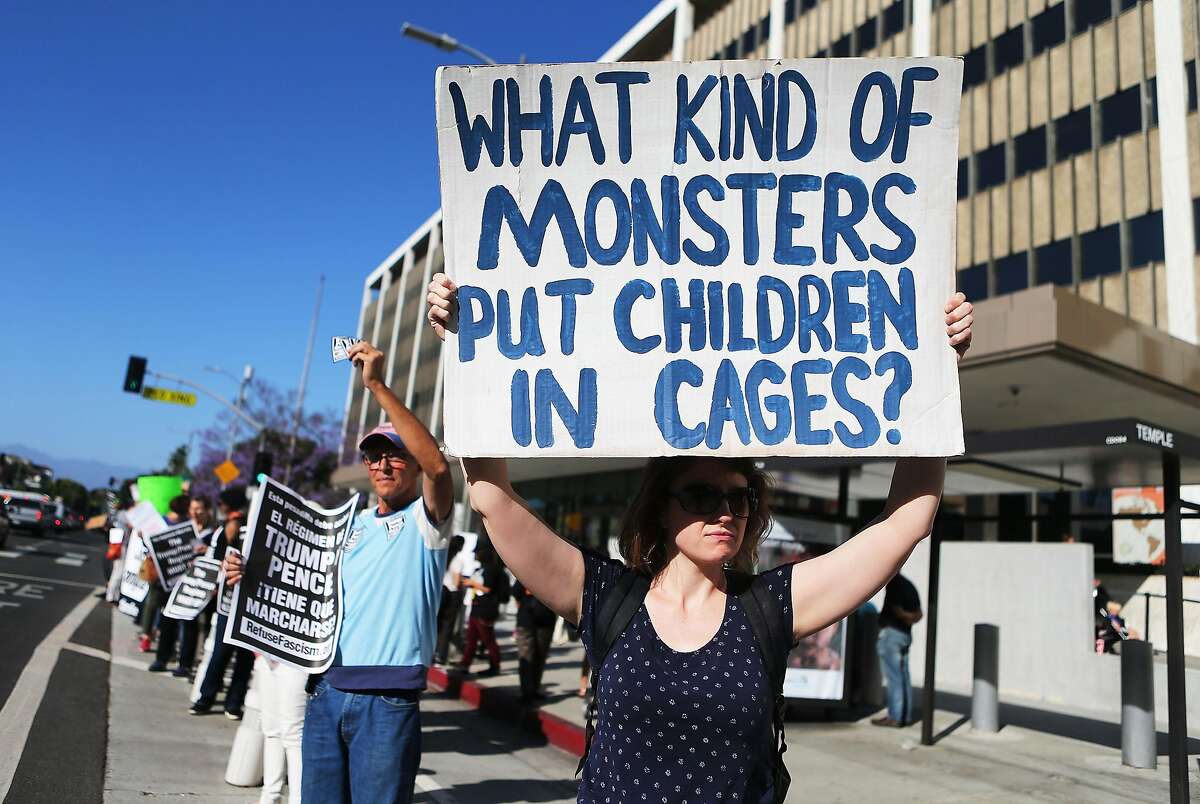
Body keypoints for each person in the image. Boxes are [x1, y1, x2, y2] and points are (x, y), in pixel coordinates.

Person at [427, 273, 973, 802]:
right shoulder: (607, 597)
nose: (726, 512)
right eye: (702, 496)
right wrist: (464, 347)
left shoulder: (770, 607)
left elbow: (907, 520)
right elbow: (493, 498)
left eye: (740, 499)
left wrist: (938, 369)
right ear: (660, 509)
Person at [224, 339, 453, 804]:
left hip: (387, 702)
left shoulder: (426, 523)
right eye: (373, 456)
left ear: (410, 462)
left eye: (394, 454)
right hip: (326, 691)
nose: (383, 464)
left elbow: (438, 466)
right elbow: (303, 583)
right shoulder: (349, 525)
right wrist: (249, 575)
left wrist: (376, 385)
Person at [190, 488, 254, 718]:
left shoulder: (248, 527)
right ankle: (230, 703)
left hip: (238, 602)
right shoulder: (226, 529)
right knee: (232, 655)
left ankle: (207, 699)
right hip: (235, 602)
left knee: (224, 653)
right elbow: (217, 562)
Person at [149, 496, 215, 676]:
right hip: (173, 582)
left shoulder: (212, 533)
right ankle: (161, 658)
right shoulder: (182, 528)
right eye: (192, 508)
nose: (195, 512)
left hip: (195, 585)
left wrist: (206, 551)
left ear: (207, 510)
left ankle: (185, 664)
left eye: (199, 509)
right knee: (167, 619)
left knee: (189, 623)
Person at [139, 493, 191, 655]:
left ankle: (147, 636)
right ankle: (156, 636)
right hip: (171, 571)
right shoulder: (186, 525)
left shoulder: (161, 522)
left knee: (152, 604)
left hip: (165, 569)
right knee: (162, 604)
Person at [871, 572, 922, 727]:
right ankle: (903, 716)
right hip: (905, 635)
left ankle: (895, 716)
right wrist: (910, 618)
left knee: (894, 677)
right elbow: (919, 614)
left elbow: (897, 610)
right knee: (903, 676)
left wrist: (903, 617)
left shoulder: (894, 584)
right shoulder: (909, 584)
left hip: (892, 635)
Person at [456, 541, 508, 677]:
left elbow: (488, 589)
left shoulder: (491, 570)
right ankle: (464, 664)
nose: (475, 555)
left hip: (486, 610)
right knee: (471, 639)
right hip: (476, 607)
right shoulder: (481, 569)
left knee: (488, 639)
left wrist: (472, 583)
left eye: (477, 552)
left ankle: (495, 666)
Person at [512, 579, 558, 702]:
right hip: (527, 620)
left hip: (545, 620)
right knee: (526, 656)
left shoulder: (554, 575)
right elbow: (516, 592)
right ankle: (527, 691)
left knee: (539, 656)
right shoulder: (527, 570)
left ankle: (534, 689)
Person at [434, 534, 467, 666]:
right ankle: (441, 656)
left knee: (436, 624)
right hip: (452, 595)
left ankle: (431, 652)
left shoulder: (443, 556)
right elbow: (457, 582)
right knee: (447, 627)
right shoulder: (458, 561)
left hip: (440, 592)